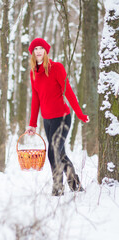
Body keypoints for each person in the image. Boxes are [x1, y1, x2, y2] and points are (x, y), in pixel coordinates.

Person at [26, 38, 89, 196]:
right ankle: (75, 185)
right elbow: (36, 99)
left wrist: (79, 113)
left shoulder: (56, 68)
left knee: (53, 152)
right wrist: (32, 123)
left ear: (46, 50)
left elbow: (68, 92)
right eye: (35, 49)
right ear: (32, 53)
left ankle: (58, 189)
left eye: (41, 48)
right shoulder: (33, 72)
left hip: (62, 118)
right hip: (47, 120)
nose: (39, 51)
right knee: (60, 154)